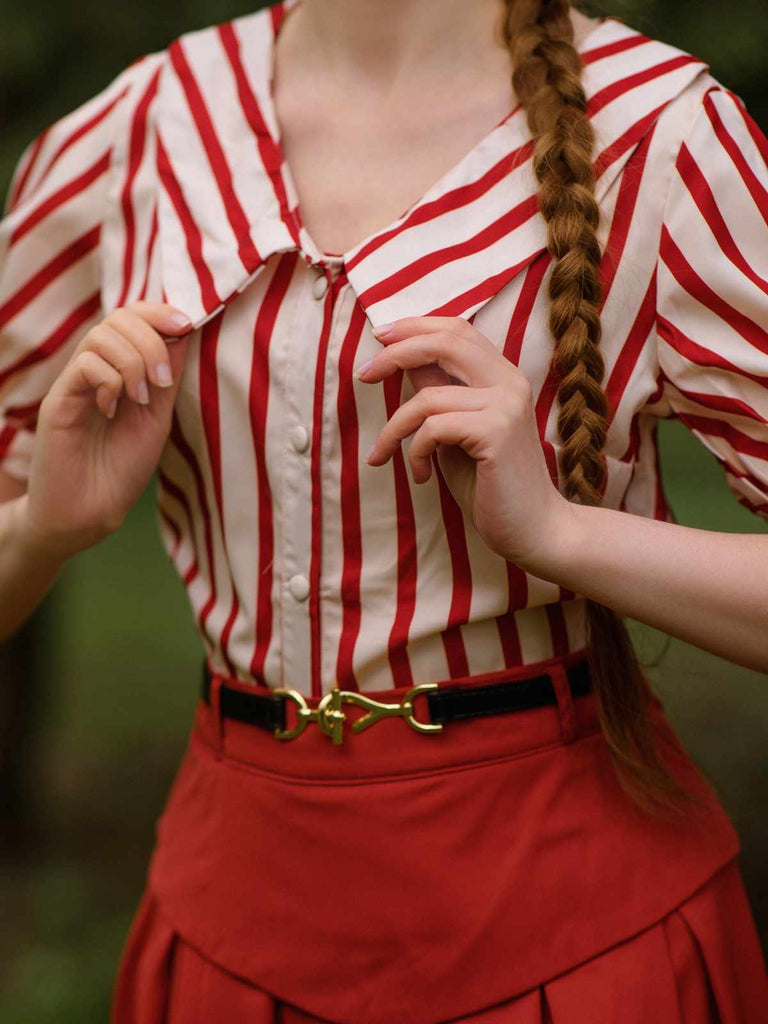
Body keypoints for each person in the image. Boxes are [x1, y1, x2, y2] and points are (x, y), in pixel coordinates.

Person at [1, 0, 767, 1019]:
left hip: (579, 944)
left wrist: (564, 535)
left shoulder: (662, 135)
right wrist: (47, 529)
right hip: (228, 932)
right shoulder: (132, 136)